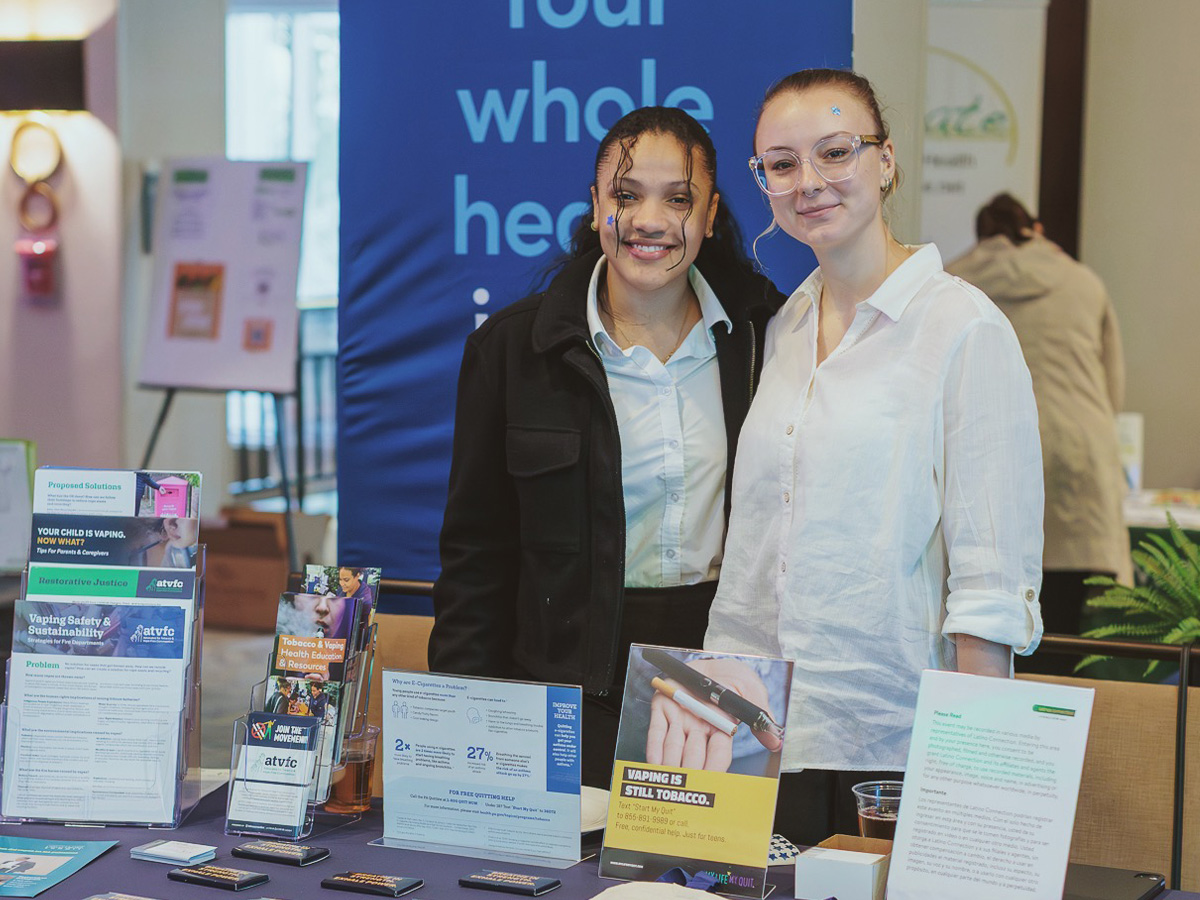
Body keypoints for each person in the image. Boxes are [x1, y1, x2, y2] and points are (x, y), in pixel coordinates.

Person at [698, 69, 1044, 844]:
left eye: (835, 152)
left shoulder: (963, 328)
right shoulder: (785, 329)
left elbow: (992, 581)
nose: (809, 182)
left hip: (888, 747)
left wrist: (972, 778)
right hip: (755, 738)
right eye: (781, 165)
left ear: (885, 162)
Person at [428, 105, 783, 787]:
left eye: (678, 199)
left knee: (701, 893)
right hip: (565, 699)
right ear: (597, 208)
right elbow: (475, 561)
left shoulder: (767, 341)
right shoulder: (512, 351)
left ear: (710, 216)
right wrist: (462, 725)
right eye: (625, 195)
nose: (649, 219)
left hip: (723, 691)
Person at [947, 193, 1131, 657]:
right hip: (1077, 466)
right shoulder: (1082, 282)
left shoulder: (952, 283)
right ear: (1035, 229)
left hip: (994, 466)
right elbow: (1113, 388)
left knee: (995, 626)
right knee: (1068, 629)